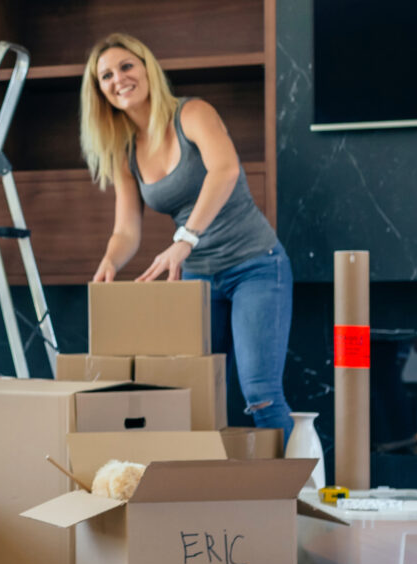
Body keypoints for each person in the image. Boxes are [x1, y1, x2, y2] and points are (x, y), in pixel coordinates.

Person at [82, 33, 295, 438]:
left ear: (147, 68)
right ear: (100, 92)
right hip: (197, 279)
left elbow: (225, 171)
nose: (118, 79)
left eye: (126, 66)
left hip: (255, 265)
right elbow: (126, 228)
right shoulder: (124, 150)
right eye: (106, 75)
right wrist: (111, 260)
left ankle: (300, 495)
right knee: (194, 395)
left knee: (260, 392)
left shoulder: (191, 113)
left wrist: (186, 238)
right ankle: (208, 491)